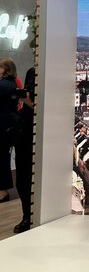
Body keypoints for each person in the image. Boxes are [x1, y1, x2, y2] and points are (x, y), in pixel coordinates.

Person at [13, 67, 35, 233]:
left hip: (27, 130)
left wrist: (26, 101)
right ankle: (28, 216)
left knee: (24, 178)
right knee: (24, 178)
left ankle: (28, 216)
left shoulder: (33, 71)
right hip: (28, 131)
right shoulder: (33, 71)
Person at [0, 58, 19, 203]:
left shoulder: (3, 85)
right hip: (8, 126)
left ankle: (2, 191)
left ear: (5, 69)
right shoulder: (12, 83)